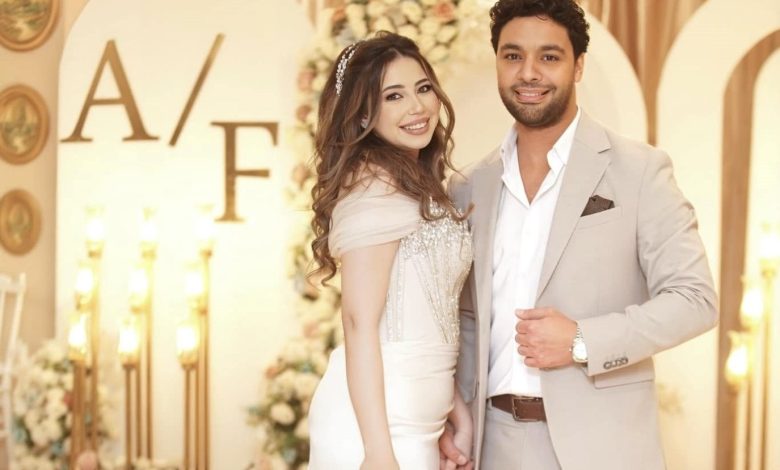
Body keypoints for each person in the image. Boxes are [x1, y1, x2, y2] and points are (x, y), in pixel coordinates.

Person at [440, 1, 718, 469]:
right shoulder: (469, 184)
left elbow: (695, 300)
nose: (529, 72)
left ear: (579, 65)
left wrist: (582, 340)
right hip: (491, 444)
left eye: (549, 56)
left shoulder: (639, 170)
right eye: (513, 56)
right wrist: (454, 417)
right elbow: (466, 321)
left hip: (603, 446)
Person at [307, 32, 474, 470]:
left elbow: (428, 312)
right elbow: (358, 322)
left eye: (423, 88)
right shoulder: (372, 186)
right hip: (376, 430)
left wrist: (452, 406)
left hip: (418, 420)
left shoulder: (415, 182)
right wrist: (378, 452)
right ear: (364, 113)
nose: (417, 107)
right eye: (394, 96)